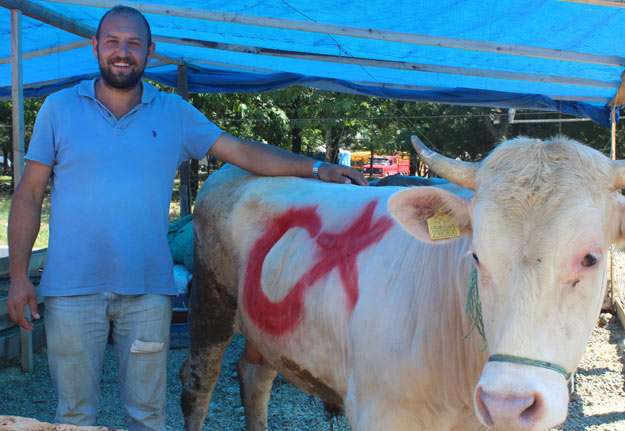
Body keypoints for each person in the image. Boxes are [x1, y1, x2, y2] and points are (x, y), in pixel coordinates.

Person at [7, 6, 365, 431]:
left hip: (146, 295)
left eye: (134, 43)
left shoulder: (173, 113)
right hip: (70, 291)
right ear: (96, 47)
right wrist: (17, 277)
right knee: (73, 416)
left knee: (147, 417)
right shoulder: (57, 108)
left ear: (151, 51)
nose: (123, 52)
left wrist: (316, 169)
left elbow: (243, 152)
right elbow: (28, 194)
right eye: (114, 42)